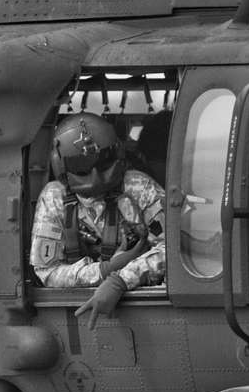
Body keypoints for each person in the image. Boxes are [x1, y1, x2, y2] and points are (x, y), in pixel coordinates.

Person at [31, 112, 165, 329]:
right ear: (63, 166)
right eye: (82, 166)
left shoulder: (137, 187)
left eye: (103, 162)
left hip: (141, 303)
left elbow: (175, 250)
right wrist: (103, 270)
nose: (96, 177)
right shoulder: (54, 198)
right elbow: (47, 271)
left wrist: (123, 278)